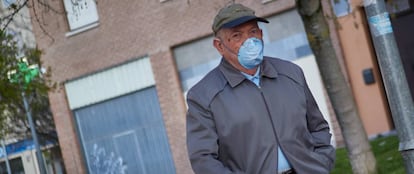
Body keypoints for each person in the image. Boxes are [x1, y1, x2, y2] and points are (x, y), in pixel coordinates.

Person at [186, 3, 335, 174]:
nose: (249, 41)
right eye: (237, 36)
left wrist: (321, 163)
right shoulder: (203, 96)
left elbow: (318, 127)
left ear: (262, 34)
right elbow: (203, 160)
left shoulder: (291, 73)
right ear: (219, 46)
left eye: (253, 32)